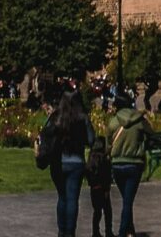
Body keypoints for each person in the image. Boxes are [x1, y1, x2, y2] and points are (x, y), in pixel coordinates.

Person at [37, 90, 94, 237]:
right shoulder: (82, 118)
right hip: (76, 161)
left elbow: (46, 137)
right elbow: (91, 140)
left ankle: (62, 231)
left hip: (58, 162)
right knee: (72, 199)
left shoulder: (56, 118)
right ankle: (70, 232)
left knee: (62, 197)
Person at [107, 90, 151, 237]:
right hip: (134, 163)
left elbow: (108, 143)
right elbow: (151, 133)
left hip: (117, 164)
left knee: (127, 199)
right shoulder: (139, 121)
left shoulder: (113, 122)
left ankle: (129, 231)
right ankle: (123, 233)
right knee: (128, 201)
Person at [86, 136, 113, 237]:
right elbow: (106, 175)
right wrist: (107, 188)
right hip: (103, 188)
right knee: (107, 211)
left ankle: (95, 231)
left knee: (97, 211)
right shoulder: (104, 158)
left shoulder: (91, 158)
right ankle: (108, 231)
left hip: (94, 188)